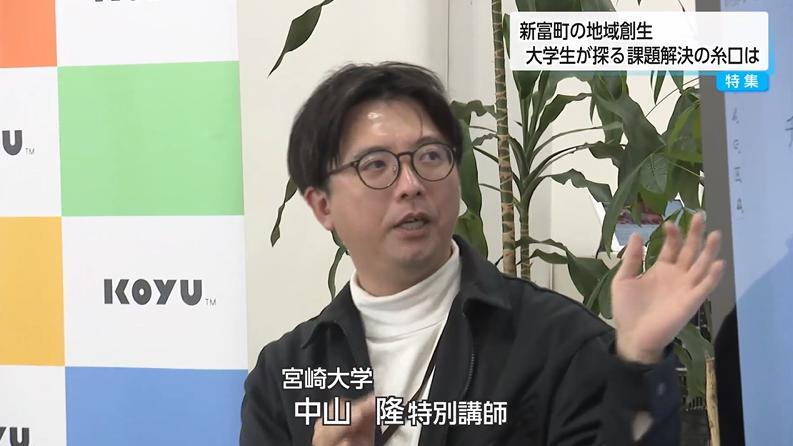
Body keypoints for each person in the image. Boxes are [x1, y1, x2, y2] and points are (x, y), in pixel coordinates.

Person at [240, 62, 725, 446]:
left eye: (430, 156)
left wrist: (637, 361)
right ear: (322, 206)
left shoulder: (557, 342)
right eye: (376, 165)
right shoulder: (283, 375)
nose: (411, 184)